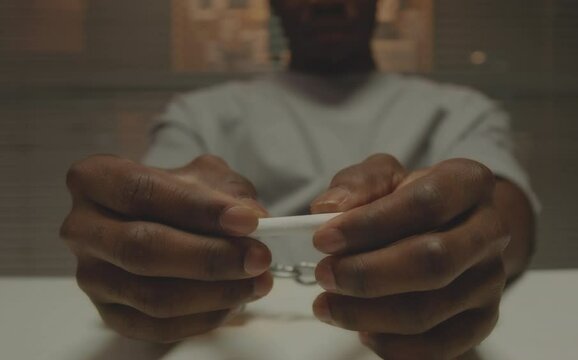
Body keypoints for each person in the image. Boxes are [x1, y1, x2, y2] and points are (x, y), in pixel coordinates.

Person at [60, 0, 539, 358]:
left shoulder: (457, 109)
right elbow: (152, 195)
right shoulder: (201, 113)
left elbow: (503, 210)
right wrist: (133, 233)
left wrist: (485, 233)